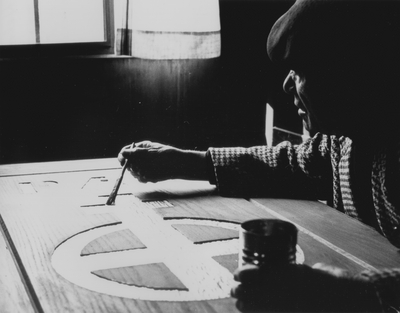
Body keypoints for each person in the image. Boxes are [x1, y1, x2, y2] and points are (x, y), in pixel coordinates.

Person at [118, 0, 400, 311]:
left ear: (346, 74)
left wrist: (357, 291)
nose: (286, 83)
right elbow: (294, 165)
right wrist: (184, 162)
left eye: (300, 69)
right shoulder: (344, 139)